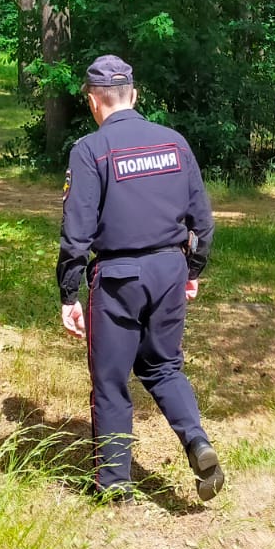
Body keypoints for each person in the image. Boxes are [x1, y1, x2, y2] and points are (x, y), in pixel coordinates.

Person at [56, 55, 223, 504]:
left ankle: (115, 488)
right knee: (164, 366)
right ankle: (197, 442)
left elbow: (77, 230)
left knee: (111, 381)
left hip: (117, 279)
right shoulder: (173, 143)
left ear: (93, 101)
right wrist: (192, 270)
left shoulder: (90, 151)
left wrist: (69, 291)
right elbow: (202, 221)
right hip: (169, 270)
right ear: (135, 94)